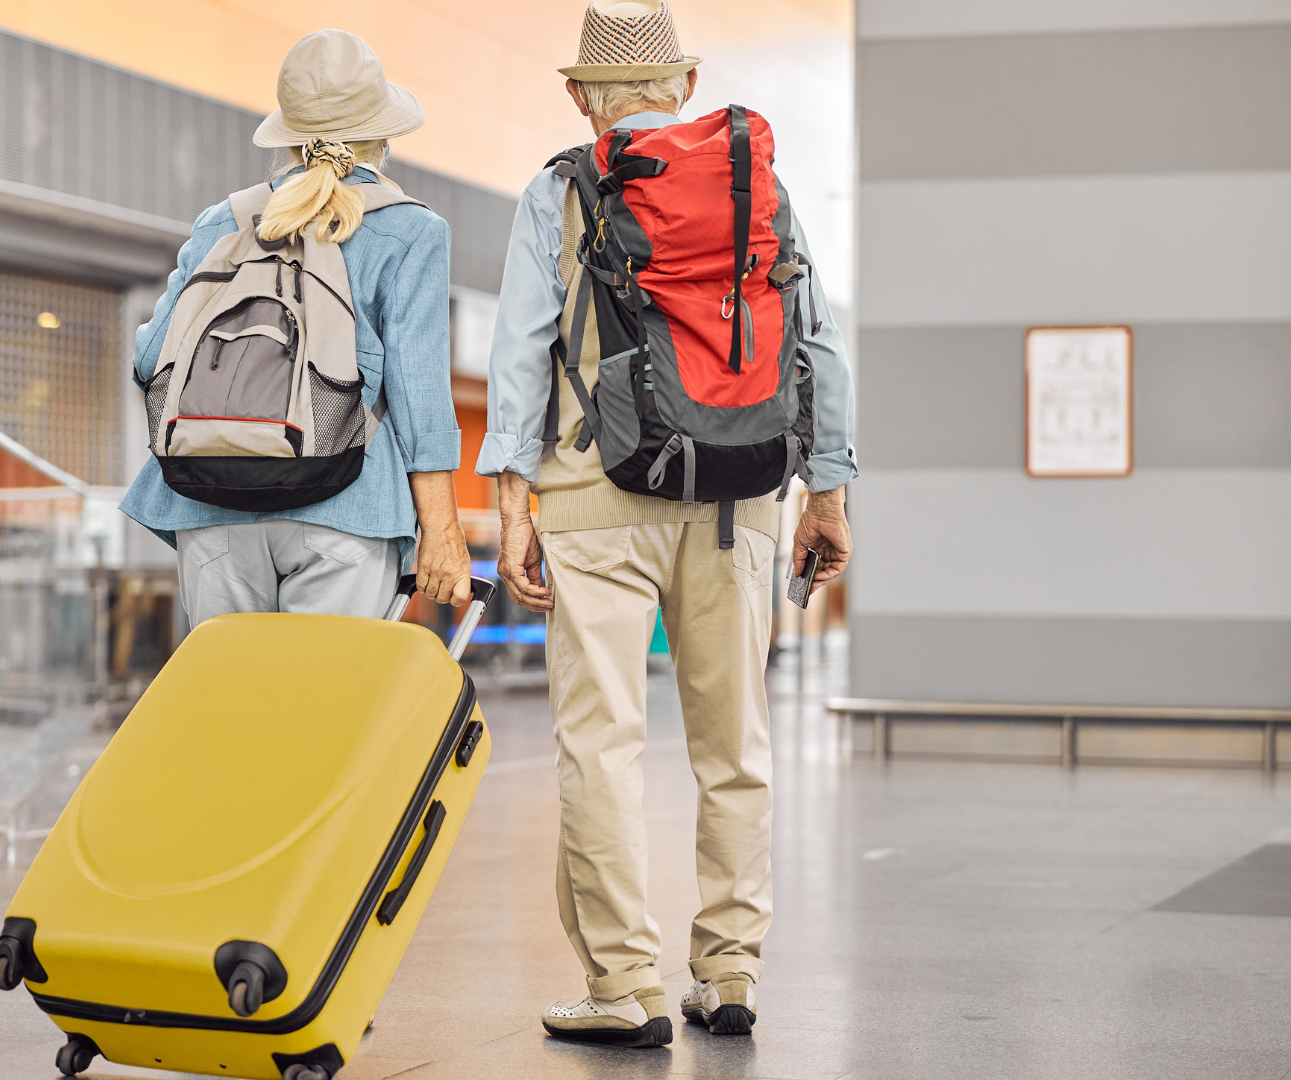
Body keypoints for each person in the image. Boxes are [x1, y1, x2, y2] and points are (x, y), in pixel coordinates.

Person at [474, 0, 857, 1048]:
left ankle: (626, 986)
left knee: (601, 745)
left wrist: (513, 500)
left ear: (580, 95)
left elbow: (519, 351)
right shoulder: (759, 182)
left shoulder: (560, 187)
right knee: (736, 747)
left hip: (596, 493)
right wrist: (827, 491)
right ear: (685, 87)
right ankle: (728, 977)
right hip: (743, 494)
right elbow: (818, 343)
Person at [122, 29, 471, 626]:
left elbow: (151, 358)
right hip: (347, 509)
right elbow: (420, 398)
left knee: (233, 713)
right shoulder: (411, 231)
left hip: (211, 509)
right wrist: (442, 530)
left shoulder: (223, 222)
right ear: (380, 134)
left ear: (287, 134)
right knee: (327, 714)